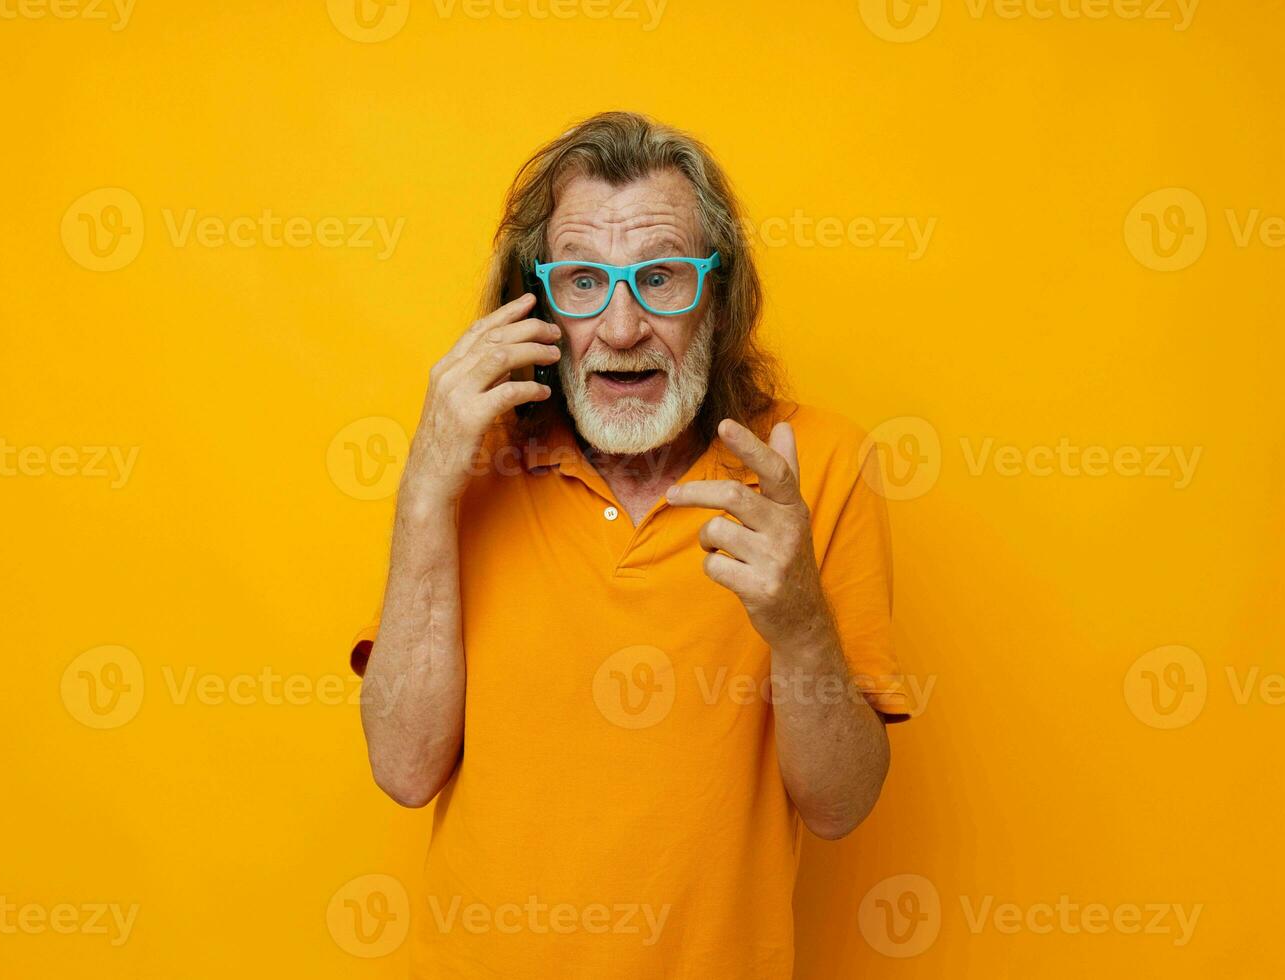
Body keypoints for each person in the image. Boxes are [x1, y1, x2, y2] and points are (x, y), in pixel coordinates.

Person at [351, 110, 914, 978]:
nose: (620, 328)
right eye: (582, 281)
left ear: (719, 299)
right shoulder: (471, 468)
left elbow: (840, 806)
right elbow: (404, 766)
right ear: (532, 304)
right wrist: (427, 487)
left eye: (662, 278)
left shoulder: (812, 467)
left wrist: (799, 620)